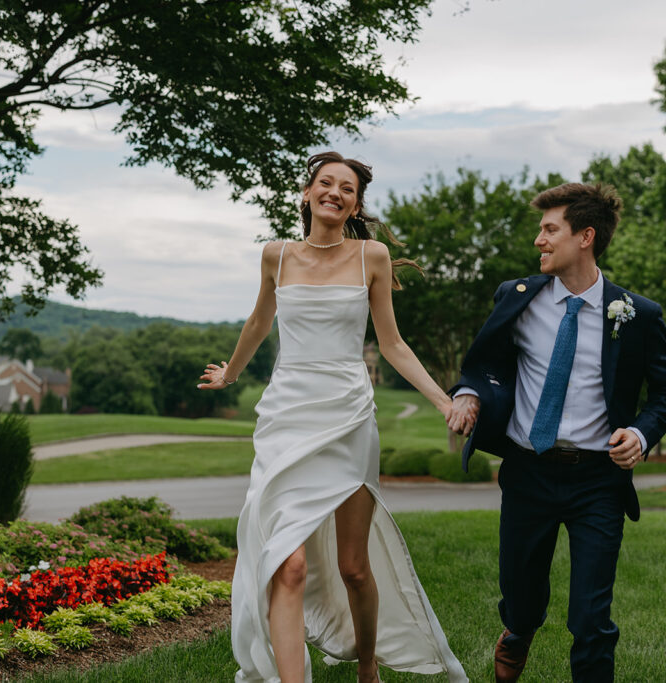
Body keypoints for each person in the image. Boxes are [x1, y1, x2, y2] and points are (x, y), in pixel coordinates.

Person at [199, 152, 468, 683]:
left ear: (356, 204)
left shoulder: (373, 256)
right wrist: (230, 372)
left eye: (347, 188)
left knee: (354, 567)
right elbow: (259, 320)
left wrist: (443, 401)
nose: (335, 193)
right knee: (288, 563)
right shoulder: (276, 255)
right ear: (307, 194)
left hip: (348, 417)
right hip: (286, 417)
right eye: (326, 183)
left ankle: (368, 665)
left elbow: (391, 344)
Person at [447, 182, 666, 682]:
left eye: (550, 229)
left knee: (592, 619)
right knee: (522, 596)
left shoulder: (637, 314)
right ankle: (518, 630)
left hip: (599, 480)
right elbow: (482, 364)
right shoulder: (515, 298)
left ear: (585, 236)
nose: (539, 240)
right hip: (528, 472)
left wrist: (640, 436)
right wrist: (468, 394)